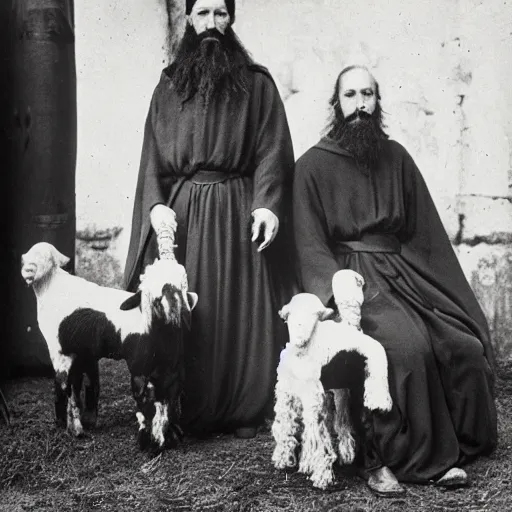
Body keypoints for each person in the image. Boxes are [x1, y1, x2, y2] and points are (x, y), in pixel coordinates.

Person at [293, 65, 497, 496]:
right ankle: (412, 459)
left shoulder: (397, 156)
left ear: (377, 101)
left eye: (368, 94)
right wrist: (335, 285)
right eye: (350, 95)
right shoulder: (311, 165)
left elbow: (425, 233)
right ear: (337, 104)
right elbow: (309, 243)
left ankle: (464, 442)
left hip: (403, 272)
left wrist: (439, 288)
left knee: (460, 343)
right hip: (354, 280)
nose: (360, 105)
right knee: (408, 348)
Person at [123, 0, 295, 439]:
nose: (212, 25)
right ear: (188, 19)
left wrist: (267, 203)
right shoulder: (168, 87)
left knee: (239, 309)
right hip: (184, 219)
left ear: (232, 19)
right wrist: (156, 204)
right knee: (188, 308)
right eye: (203, 13)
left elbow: (273, 149)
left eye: (221, 13)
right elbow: (152, 159)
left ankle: (243, 407)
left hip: (239, 211)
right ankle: (186, 404)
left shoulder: (257, 85)